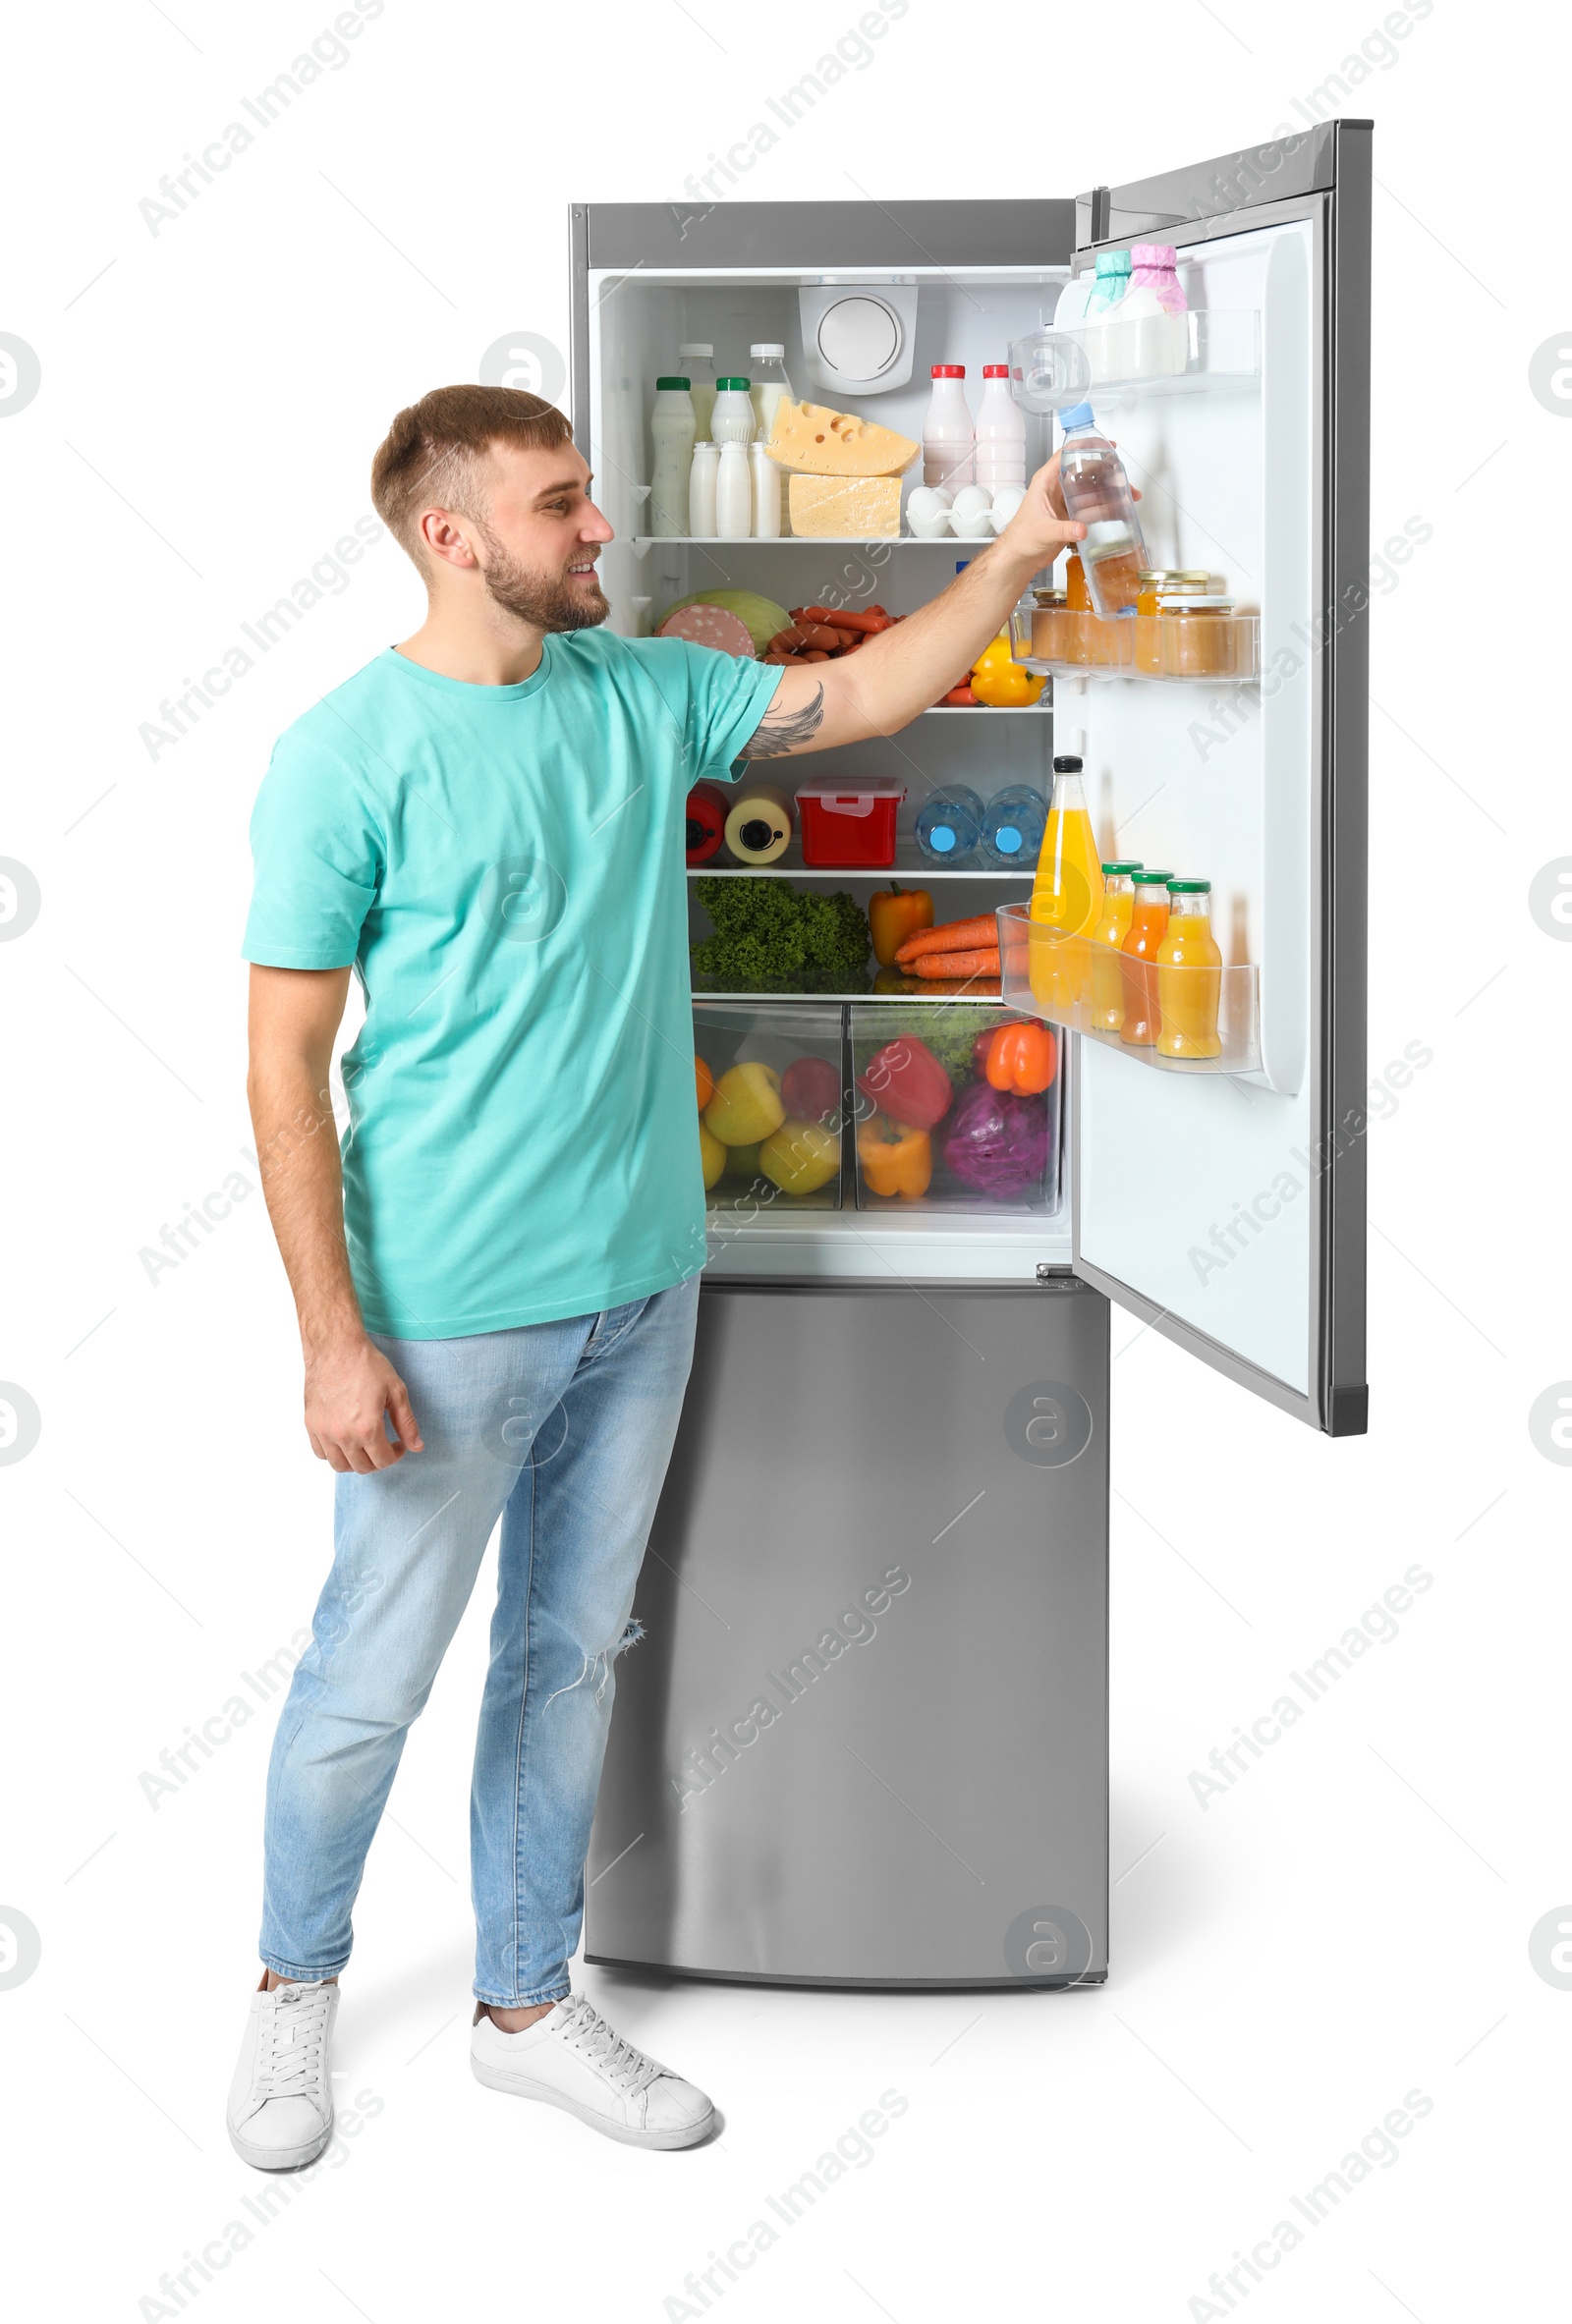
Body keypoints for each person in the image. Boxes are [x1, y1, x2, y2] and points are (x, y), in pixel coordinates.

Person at [227, 383, 1084, 2167]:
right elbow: (281, 1068)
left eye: (595, 498)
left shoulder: (641, 695)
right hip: (446, 1310)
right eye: (562, 508)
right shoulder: (343, 754)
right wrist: (330, 1336)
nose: (601, 529)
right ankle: (292, 1994)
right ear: (453, 538)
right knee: (367, 1673)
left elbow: (861, 694)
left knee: (564, 1661)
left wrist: (1013, 553)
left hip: (646, 1283)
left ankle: (526, 2005)